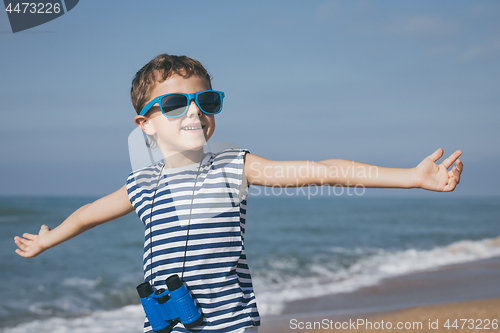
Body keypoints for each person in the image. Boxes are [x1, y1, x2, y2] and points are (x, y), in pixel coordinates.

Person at [14, 54, 463, 333]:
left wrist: (410, 176)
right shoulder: (142, 184)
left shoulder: (234, 166)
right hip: (165, 322)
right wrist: (47, 240)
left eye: (206, 102)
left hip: (231, 326)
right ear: (145, 124)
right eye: (174, 104)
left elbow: (322, 170)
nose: (194, 111)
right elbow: (90, 214)